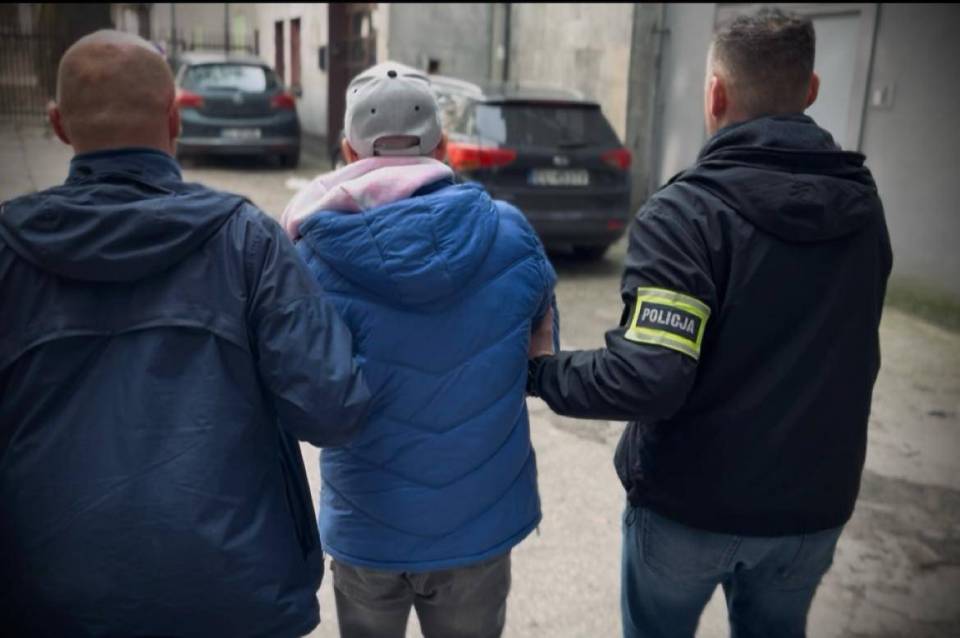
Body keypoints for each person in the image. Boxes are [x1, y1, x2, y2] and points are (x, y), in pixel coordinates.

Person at [527, 8, 892, 638]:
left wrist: (540, 372)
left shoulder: (684, 216)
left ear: (716, 94)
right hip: (811, 510)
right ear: (810, 91)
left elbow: (647, 378)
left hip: (690, 509)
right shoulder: (863, 207)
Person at [0, 30, 371, 637]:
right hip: (233, 596)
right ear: (174, 118)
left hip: (48, 598)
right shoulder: (248, 242)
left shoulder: (8, 255)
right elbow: (332, 410)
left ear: (58, 125)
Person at [281, 61, 557, 638]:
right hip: (478, 525)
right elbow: (542, 350)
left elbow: (305, 392)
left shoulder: (311, 256)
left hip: (367, 525)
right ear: (444, 146)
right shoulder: (511, 234)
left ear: (348, 152)